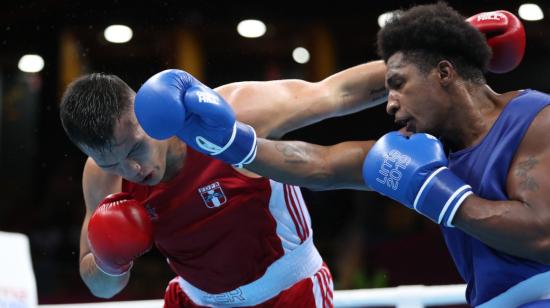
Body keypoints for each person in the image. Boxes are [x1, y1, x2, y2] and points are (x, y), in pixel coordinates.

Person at [134, 4, 550, 308]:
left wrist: (444, 198)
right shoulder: (423, 151)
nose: (389, 104)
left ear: (444, 73)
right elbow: (323, 164)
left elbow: (541, 237)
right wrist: (232, 143)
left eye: (399, 85)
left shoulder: (535, 118)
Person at [59, 60, 388, 307]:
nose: (131, 169)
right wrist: (109, 259)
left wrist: (420, 70)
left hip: (288, 294)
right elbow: (102, 288)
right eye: (110, 161)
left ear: (147, 112)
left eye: (135, 148)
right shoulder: (101, 176)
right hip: (194, 300)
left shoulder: (235, 109)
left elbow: (335, 92)